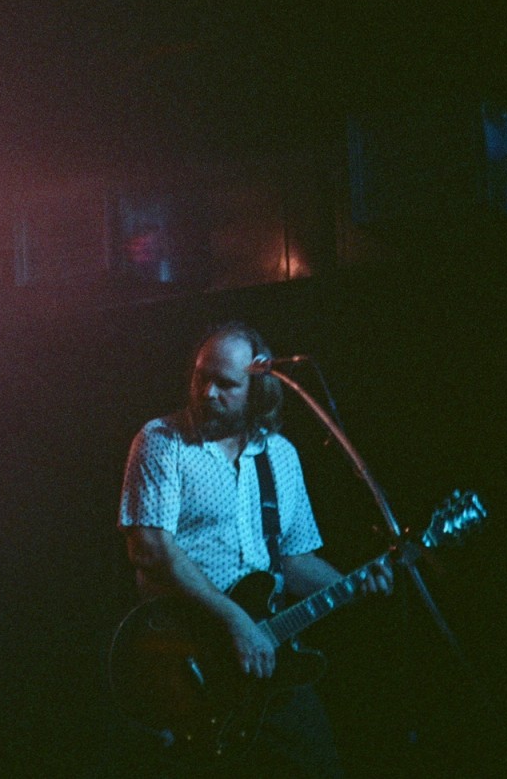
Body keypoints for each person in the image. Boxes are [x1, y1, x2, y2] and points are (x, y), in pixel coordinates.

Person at [116, 322, 392, 777]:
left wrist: (354, 584)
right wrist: (235, 618)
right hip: (188, 654)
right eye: (201, 377)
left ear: (259, 389)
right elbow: (150, 550)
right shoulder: (162, 442)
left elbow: (294, 560)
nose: (207, 393)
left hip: (264, 653)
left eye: (225, 384)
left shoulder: (281, 456)